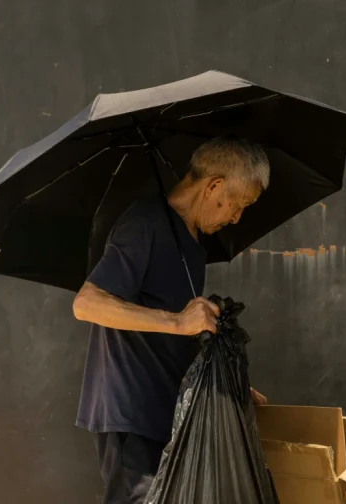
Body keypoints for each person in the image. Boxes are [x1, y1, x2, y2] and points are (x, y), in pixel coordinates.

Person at [71, 137, 271, 504]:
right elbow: (87, 304)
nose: (236, 217)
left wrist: (228, 384)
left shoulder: (191, 241)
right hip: (131, 412)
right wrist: (178, 321)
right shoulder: (143, 224)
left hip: (167, 410)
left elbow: (180, 331)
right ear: (213, 186)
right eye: (238, 204)